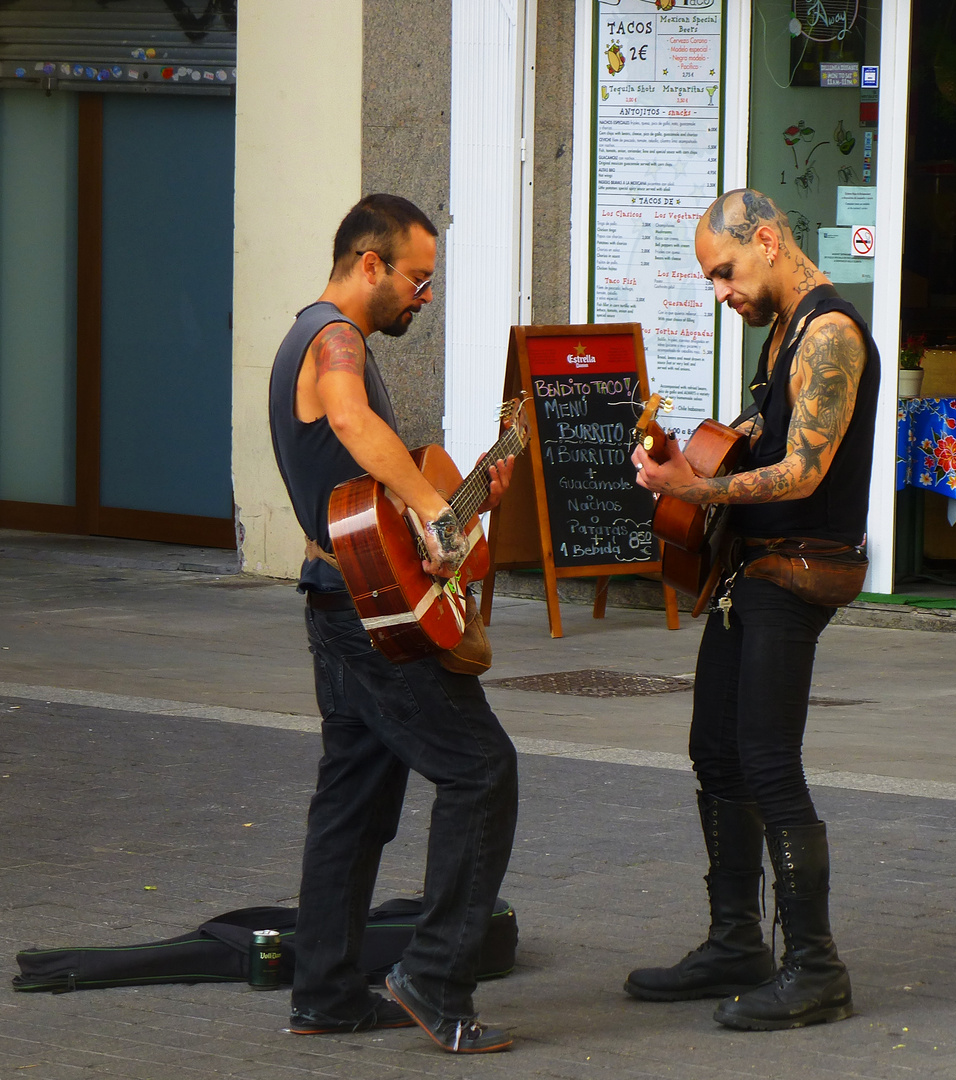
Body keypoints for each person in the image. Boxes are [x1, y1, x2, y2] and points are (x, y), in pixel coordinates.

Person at [267, 194, 518, 1054]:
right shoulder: (333, 335)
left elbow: (365, 479)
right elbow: (348, 420)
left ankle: (325, 994)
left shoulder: (323, 337)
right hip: (364, 615)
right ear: (368, 264)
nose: (425, 294)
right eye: (416, 277)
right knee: (482, 770)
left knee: (353, 801)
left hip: (337, 596)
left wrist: (457, 501)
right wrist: (437, 513)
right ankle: (436, 978)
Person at [626, 188, 880, 1031]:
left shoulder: (832, 333)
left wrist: (696, 483)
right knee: (715, 750)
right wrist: (682, 461)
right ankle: (736, 940)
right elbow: (758, 441)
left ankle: (817, 969)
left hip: (797, 571)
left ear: (766, 240)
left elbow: (804, 469)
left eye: (724, 272)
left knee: (767, 762)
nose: (720, 291)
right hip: (754, 568)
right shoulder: (782, 334)